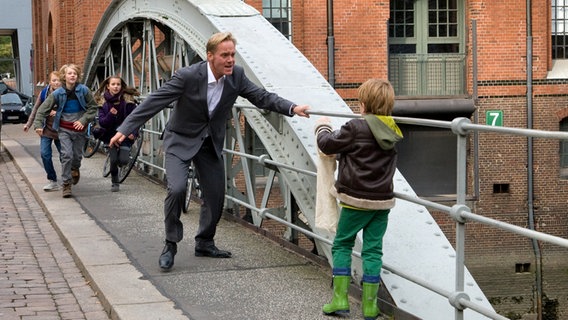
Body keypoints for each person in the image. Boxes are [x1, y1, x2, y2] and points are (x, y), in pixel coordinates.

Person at [109, 31, 310, 271]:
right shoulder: (188, 76)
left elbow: (260, 97)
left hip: (209, 144)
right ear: (210, 56)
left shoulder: (236, 76)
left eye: (233, 55)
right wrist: (125, 128)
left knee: (215, 196)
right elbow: (155, 101)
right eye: (224, 55)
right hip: (180, 140)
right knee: (177, 189)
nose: (230, 60)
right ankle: (170, 244)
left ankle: (204, 241)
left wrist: (291, 107)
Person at [314, 78, 403, 320]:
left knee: (343, 244)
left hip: (355, 200)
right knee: (373, 251)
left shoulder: (355, 127)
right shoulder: (394, 129)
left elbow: (326, 143)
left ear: (363, 105)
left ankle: (340, 300)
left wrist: (322, 127)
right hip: (383, 202)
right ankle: (370, 307)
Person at [33, 64, 98, 198]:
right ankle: (66, 184)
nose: (72, 75)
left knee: (76, 157)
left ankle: (75, 168)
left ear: (77, 76)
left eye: (74, 73)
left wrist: (83, 120)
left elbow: (93, 108)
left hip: (80, 129)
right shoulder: (57, 93)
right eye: (69, 73)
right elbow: (42, 110)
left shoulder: (84, 90)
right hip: (64, 129)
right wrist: (38, 125)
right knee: (66, 155)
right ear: (64, 76)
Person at [94, 75, 140, 192]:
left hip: (125, 134)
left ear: (121, 86)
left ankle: (119, 163)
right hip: (110, 136)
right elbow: (102, 122)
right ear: (108, 86)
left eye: (118, 84)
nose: (116, 87)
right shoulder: (103, 102)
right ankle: (115, 182)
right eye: (113, 84)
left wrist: (133, 133)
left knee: (124, 160)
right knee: (114, 160)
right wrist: (111, 114)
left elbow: (135, 119)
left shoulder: (128, 101)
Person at [23, 71, 62, 191]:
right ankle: (53, 180)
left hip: (61, 130)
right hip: (46, 130)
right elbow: (36, 109)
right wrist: (29, 124)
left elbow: (72, 109)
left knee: (65, 156)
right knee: (45, 154)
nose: (56, 82)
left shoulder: (66, 93)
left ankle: (68, 178)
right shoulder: (44, 93)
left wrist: (59, 113)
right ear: (49, 82)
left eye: (59, 80)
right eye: (54, 80)